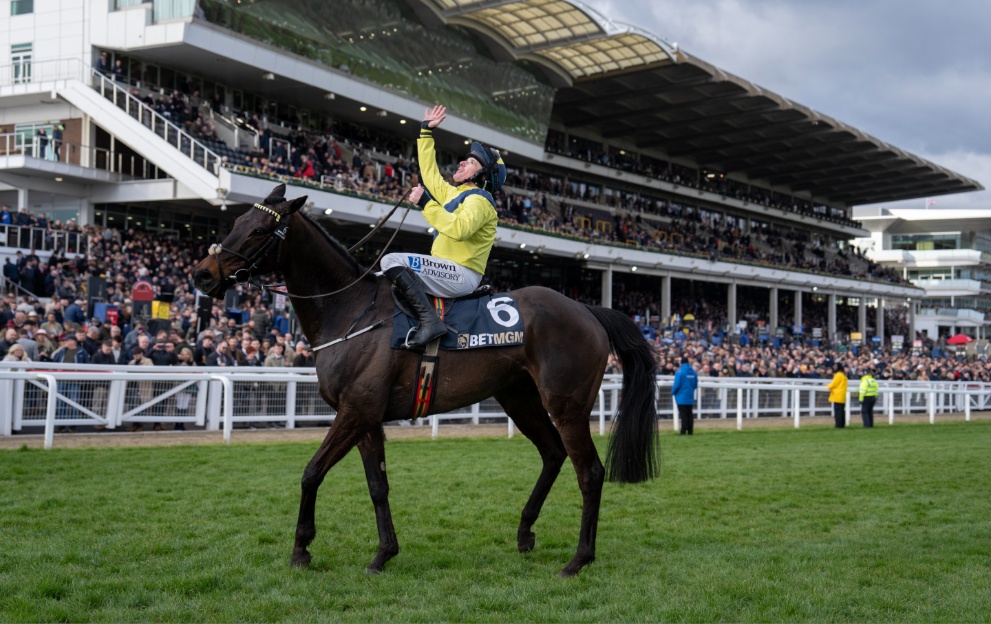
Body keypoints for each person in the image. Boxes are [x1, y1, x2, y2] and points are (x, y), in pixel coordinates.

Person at [379, 104, 504, 351]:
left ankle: (430, 323)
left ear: (482, 176)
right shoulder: (454, 194)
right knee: (379, 277)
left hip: (462, 274)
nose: (461, 163)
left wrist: (426, 203)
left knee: (391, 262)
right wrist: (425, 132)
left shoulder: (480, 200)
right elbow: (431, 175)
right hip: (446, 269)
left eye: (469, 162)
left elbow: (459, 229)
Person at [672, 357, 699, 435]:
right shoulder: (693, 372)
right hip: (690, 395)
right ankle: (690, 431)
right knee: (689, 414)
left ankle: (683, 431)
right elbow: (695, 384)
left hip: (681, 396)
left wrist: (673, 392)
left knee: (683, 414)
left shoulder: (679, 372)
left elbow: (677, 385)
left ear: (681, 362)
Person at [826, 362, 848, 428]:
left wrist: (827, 386)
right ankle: (842, 424)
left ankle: (838, 425)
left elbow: (834, 384)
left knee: (838, 412)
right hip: (842, 395)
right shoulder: (844, 375)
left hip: (837, 395)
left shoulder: (838, 375)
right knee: (841, 411)